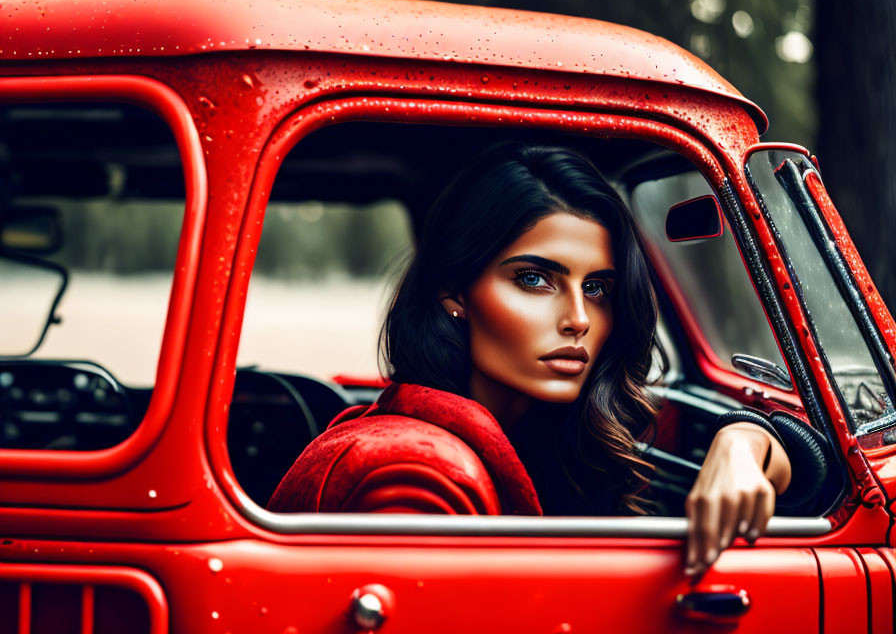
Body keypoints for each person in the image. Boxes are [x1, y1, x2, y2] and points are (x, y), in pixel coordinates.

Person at [269, 142, 815, 579]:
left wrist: (743, 444)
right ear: (454, 292)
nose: (578, 318)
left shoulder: (565, 422)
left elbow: (812, 460)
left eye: (598, 287)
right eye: (534, 280)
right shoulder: (415, 472)